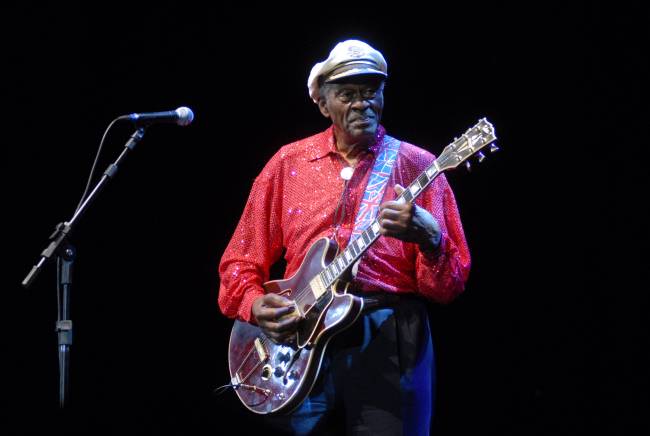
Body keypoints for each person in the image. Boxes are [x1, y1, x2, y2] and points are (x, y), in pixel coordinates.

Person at [218, 39, 471, 435]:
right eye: (348, 94)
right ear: (323, 103)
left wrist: (431, 240)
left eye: (372, 92)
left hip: (389, 336)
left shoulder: (418, 165)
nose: (362, 104)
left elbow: (449, 285)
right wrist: (253, 303)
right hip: (297, 341)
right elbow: (239, 260)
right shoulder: (288, 163)